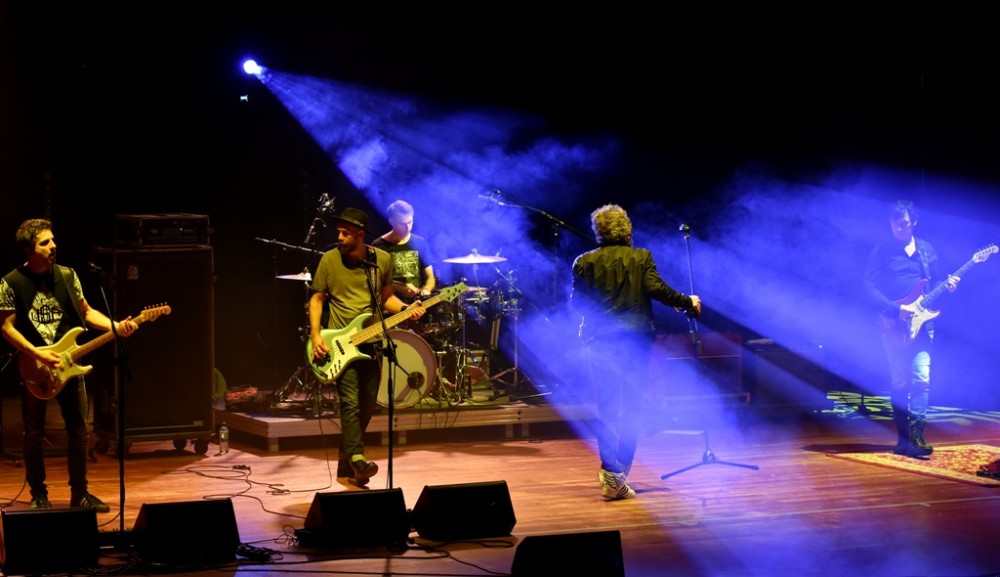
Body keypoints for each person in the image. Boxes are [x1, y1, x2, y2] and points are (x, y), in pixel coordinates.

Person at [0, 218, 138, 512]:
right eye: (45, 242)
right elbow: (6, 327)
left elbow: (86, 312)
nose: (53, 246)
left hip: (70, 364)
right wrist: (36, 354)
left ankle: (80, 493)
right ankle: (39, 495)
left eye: (53, 239)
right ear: (29, 249)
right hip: (35, 366)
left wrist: (115, 326)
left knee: (79, 430)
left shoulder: (67, 275)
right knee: (33, 434)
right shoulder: (10, 282)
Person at [569, 204, 701, 500]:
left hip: (600, 341)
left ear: (598, 230)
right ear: (626, 229)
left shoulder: (584, 261)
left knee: (607, 408)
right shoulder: (641, 257)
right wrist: (687, 301)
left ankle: (612, 473)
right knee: (632, 406)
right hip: (635, 341)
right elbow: (657, 289)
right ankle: (618, 472)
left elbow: (576, 305)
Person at [308, 207, 425, 486]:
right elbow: (317, 299)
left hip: (372, 343)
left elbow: (386, 299)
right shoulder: (329, 260)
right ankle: (359, 460)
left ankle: (345, 461)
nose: (339, 237)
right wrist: (316, 335)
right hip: (341, 344)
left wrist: (406, 309)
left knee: (367, 406)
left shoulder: (380, 260)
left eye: (345, 233)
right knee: (349, 403)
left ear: (360, 235)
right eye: (338, 232)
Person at [863, 200, 959, 458]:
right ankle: (903, 438)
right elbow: (869, 287)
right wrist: (895, 310)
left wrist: (947, 287)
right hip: (894, 324)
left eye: (904, 223)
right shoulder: (882, 250)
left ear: (913, 222)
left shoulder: (926, 250)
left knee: (921, 379)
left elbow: (934, 284)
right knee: (899, 381)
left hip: (923, 325)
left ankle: (917, 437)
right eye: (895, 223)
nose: (899, 227)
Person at [371, 200, 436, 303]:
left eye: (410, 222)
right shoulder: (378, 246)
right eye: (402, 224)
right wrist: (400, 288)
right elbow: (375, 282)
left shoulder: (420, 242)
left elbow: (430, 277)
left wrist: (426, 289)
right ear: (391, 221)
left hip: (417, 305)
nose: (408, 227)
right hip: (390, 305)